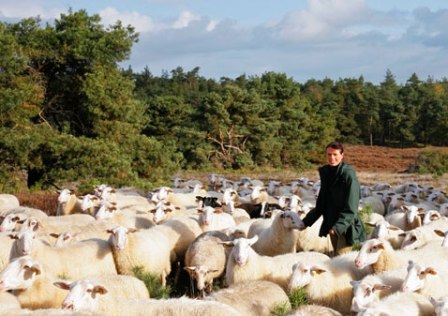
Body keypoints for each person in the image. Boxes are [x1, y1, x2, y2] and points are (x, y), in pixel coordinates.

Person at [301, 141, 366, 256]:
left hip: (347, 226)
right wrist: (305, 222)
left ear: (342, 155)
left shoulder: (348, 174)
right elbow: (321, 204)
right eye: (329, 154)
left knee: (341, 258)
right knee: (337, 258)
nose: (332, 158)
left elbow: (352, 206)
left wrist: (338, 227)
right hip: (332, 223)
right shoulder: (326, 173)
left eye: (335, 154)